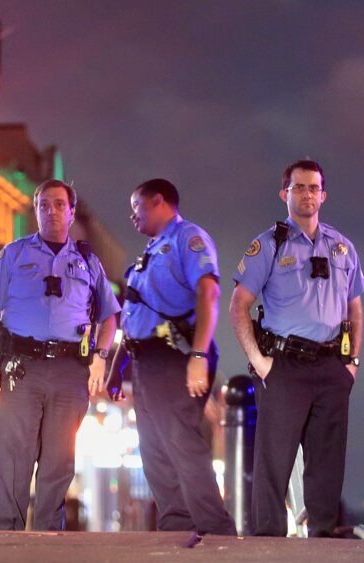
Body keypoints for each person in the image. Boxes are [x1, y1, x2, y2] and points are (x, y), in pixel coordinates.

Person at [0, 179, 120, 531]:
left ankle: (48, 540)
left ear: (71, 212)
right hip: (20, 369)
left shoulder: (88, 262)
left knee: (58, 460)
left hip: (70, 372)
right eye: (43, 205)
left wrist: (100, 356)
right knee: (14, 456)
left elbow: (110, 317)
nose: (50, 211)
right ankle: (6, 537)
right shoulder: (14, 254)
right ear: (35, 211)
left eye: (58, 204)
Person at [230, 159, 364, 538]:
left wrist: (351, 361)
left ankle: (322, 536)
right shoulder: (269, 245)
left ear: (323, 194)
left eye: (314, 187)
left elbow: (355, 308)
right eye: (299, 187)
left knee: (327, 460)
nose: (307, 194)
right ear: (284, 193)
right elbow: (238, 304)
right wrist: (259, 361)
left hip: (331, 365)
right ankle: (269, 542)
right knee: (274, 461)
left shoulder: (342, 247)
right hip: (284, 366)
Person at [115, 178, 237, 538]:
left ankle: (216, 531)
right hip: (145, 361)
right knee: (154, 450)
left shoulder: (187, 238)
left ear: (158, 201)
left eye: (137, 207)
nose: (132, 216)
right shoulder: (151, 249)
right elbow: (136, 313)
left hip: (175, 356)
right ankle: (175, 527)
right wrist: (117, 368)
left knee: (179, 442)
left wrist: (199, 354)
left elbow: (209, 292)